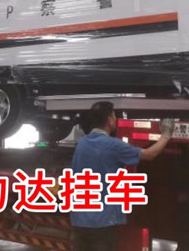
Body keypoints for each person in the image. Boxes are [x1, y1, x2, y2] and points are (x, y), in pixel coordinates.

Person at [71, 101, 173, 251]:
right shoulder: (113, 145)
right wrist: (166, 135)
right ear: (109, 120)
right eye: (114, 116)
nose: (116, 119)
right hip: (102, 222)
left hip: (80, 220)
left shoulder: (82, 144)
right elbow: (149, 154)